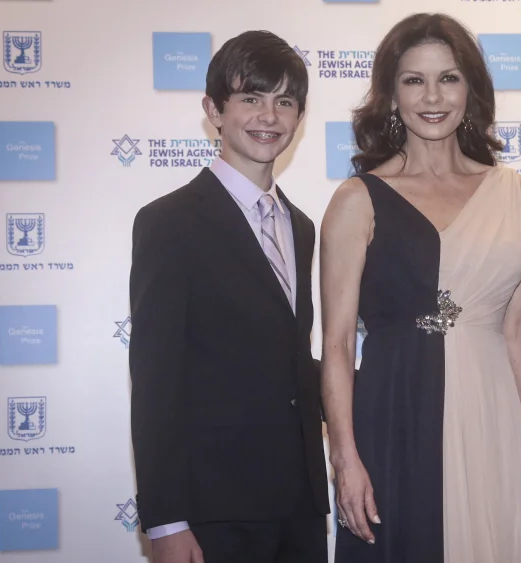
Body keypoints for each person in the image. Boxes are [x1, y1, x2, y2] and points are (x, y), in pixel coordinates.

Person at [318, 12, 521, 563]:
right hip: (396, 414)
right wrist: (344, 458)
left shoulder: (513, 193)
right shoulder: (357, 200)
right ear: (391, 94)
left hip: (493, 417)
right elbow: (336, 345)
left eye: (448, 78)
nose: (432, 96)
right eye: (413, 80)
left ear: (470, 89)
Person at [128, 30, 328, 563]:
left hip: (301, 506)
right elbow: (155, 379)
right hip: (213, 510)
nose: (269, 116)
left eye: (285, 101)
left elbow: (284, 360)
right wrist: (166, 521)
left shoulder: (301, 226)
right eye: (250, 98)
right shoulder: (169, 223)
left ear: (299, 116)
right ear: (214, 110)